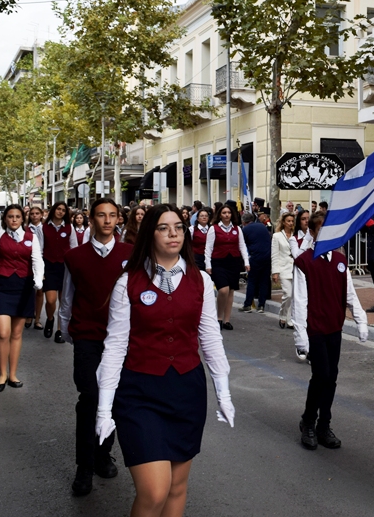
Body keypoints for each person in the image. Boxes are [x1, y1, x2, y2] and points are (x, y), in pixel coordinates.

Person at [95, 204, 234, 516]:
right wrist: (104, 410)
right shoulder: (127, 282)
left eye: (179, 227)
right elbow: (115, 348)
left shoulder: (200, 281)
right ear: (150, 234)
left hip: (186, 391)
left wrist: (223, 392)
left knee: (176, 488)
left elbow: (210, 338)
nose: (173, 233)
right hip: (139, 393)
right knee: (154, 492)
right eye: (163, 227)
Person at [58, 198, 133, 496]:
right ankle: (84, 467)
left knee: (112, 399)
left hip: (121, 338)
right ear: (90, 219)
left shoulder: (131, 255)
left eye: (112, 216)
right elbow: (68, 297)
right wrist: (67, 331)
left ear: (118, 220)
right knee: (89, 398)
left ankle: (103, 454)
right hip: (87, 337)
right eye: (100, 215)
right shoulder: (74, 257)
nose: (106, 221)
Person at [293, 211, 368, 450]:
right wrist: (300, 336)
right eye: (321, 229)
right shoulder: (304, 261)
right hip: (314, 327)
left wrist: (360, 319)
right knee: (321, 375)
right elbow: (299, 301)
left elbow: (349, 293)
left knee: (332, 377)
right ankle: (308, 421)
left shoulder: (339, 260)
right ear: (313, 233)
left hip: (334, 326)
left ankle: (324, 425)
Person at [0, 163, 44, 391]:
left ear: (23, 218)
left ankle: (13, 374)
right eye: (10, 216)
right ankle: (1, 374)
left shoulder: (32, 236)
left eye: (17, 216)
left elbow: (37, 259)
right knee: (3, 332)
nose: (13, 219)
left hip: (22, 286)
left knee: (17, 333)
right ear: (5, 219)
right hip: (0, 285)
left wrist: (38, 280)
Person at [204, 203, 249, 328]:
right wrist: (208, 265)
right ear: (219, 215)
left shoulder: (237, 229)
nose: (226, 215)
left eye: (228, 213)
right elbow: (208, 248)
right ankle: (218, 317)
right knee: (223, 290)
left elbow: (242, 246)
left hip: (233, 261)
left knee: (231, 291)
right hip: (218, 262)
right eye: (224, 213)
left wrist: (246, 262)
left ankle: (226, 320)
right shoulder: (214, 228)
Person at [42, 202, 72, 343]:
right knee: (50, 300)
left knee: (63, 300)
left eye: (63, 210)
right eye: (58, 209)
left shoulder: (69, 227)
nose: (60, 212)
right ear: (54, 210)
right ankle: (49, 318)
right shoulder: (44, 227)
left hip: (65, 267)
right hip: (49, 266)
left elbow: (74, 249)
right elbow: (40, 249)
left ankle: (59, 330)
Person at [241, 211, 272, 313]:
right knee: (264, 281)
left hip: (255, 257)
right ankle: (261, 306)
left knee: (252, 281)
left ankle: (247, 305)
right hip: (267, 257)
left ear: (244, 221)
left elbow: (242, 244)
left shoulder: (245, 230)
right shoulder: (262, 226)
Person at [272, 212, 296, 329]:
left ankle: (290, 319)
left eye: (292, 221)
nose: (291, 223)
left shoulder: (296, 235)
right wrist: (275, 272)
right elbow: (275, 255)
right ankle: (282, 314)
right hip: (283, 269)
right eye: (288, 221)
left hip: (296, 269)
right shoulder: (277, 236)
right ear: (283, 222)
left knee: (294, 295)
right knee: (288, 294)